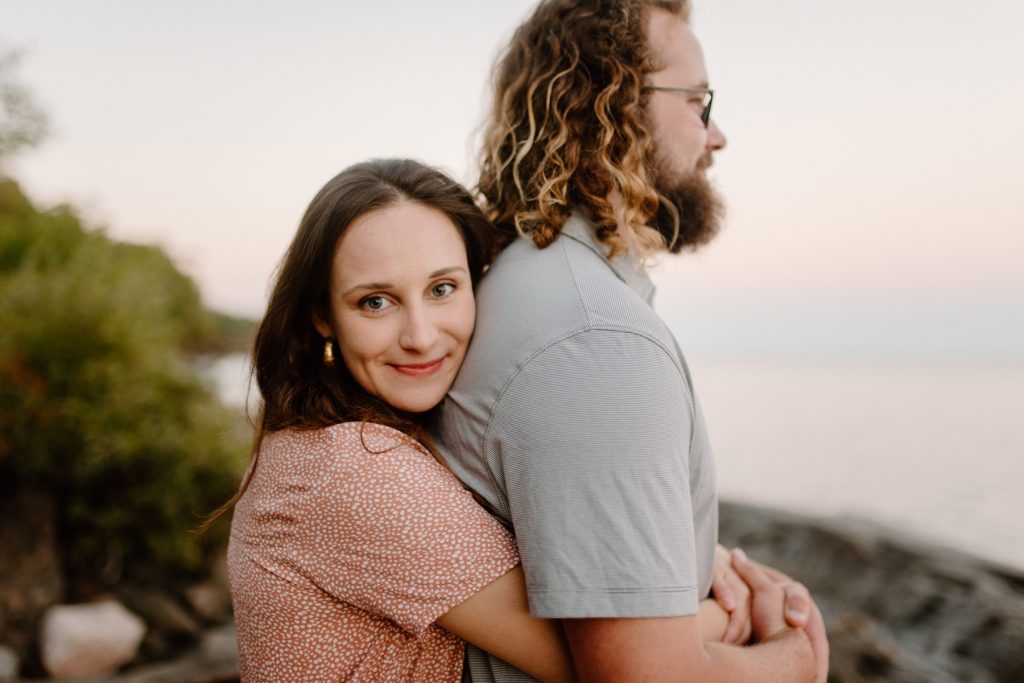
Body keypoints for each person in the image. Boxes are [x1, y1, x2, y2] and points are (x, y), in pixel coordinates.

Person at [223, 158, 740, 681]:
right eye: (376, 302)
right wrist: (758, 618)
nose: (420, 336)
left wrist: (704, 553)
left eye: (442, 289)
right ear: (322, 316)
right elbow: (607, 661)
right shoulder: (351, 469)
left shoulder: (331, 441)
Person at [436, 1, 830, 681]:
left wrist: (690, 559)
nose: (718, 136)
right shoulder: (594, 342)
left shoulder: (537, 288)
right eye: (699, 101)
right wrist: (795, 660)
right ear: (612, 104)